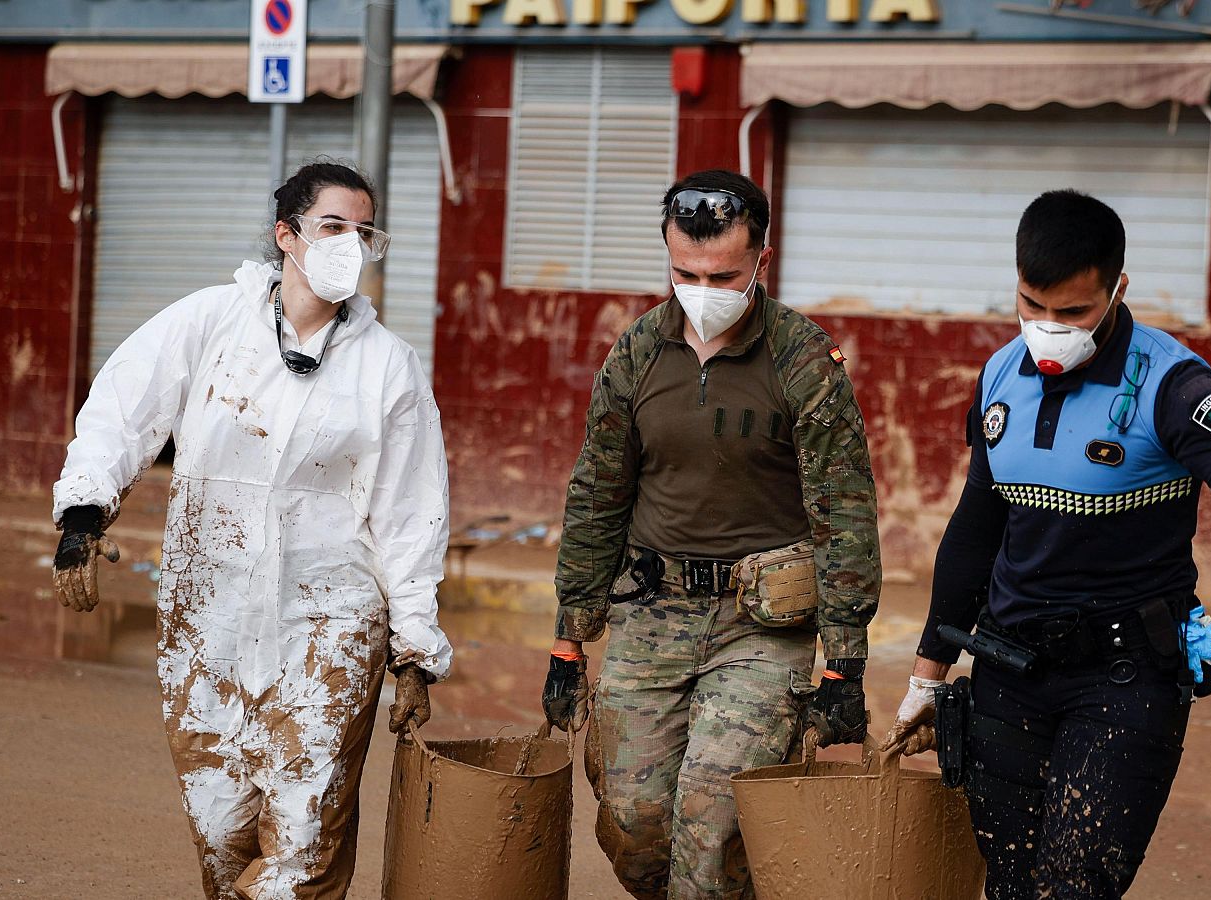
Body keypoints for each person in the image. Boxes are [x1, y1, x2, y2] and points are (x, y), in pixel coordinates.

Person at [885, 189, 1211, 899]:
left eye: (1072, 312)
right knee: (1011, 884)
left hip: (1124, 679)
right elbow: (974, 533)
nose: (1048, 329)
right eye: (1031, 305)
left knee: (1075, 887)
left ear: (1117, 290)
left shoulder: (1176, 388)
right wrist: (928, 676)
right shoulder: (997, 377)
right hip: (1006, 675)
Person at [50, 159, 452, 899]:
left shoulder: (389, 368)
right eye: (332, 227)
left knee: (302, 847)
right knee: (222, 835)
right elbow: (123, 407)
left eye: (364, 232)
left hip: (332, 624)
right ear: (286, 235)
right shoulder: (211, 322)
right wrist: (83, 509)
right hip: (209, 620)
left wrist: (414, 645)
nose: (349, 245)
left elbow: (411, 512)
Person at [541, 169, 881, 900]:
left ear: (762, 257)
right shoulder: (635, 353)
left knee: (713, 817)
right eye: (684, 271)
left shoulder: (804, 361)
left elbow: (843, 511)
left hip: (759, 623)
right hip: (649, 610)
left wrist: (844, 663)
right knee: (635, 824)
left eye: (722, 273)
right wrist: (570, 638)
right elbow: (597, 493)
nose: (702, 288)